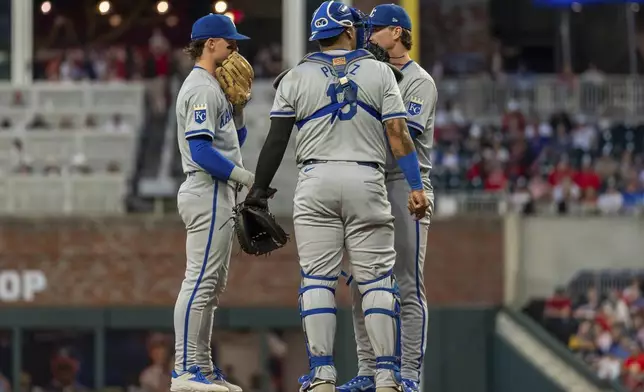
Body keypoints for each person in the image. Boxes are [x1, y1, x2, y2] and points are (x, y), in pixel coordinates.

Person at [243, 2, 429, 392]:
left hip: (315, 180)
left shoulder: (294, 76)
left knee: (317, 281)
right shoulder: (380, 71)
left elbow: (276, 141)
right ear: (348, 30)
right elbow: (398, 134)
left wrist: (257, 193)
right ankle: (386, 376)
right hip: (366, 178)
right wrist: (415, 186)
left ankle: (324, 373)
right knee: (377, 281)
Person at [337, 5, 437, 392]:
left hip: (406, 186)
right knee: (362, 282)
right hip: (371, 183)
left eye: (376, 30)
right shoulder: (370, 74)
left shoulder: (419, 81)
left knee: (408, 286)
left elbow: (399, 137)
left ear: (397, 32)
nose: (369, 36)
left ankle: (409, 374)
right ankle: (367, 370)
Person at [171, 13, 252, 392]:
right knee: (200, 281)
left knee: (212, 285)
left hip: (216, 191)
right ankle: (185, 367)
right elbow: (201, 150)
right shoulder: (201, 87)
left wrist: (238, 109)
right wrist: (240, 176)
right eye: (229, 42)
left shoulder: (214, 87)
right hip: (207, 188)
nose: (235, 48)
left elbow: (231, 142)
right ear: (210, 44)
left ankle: (200, 366)